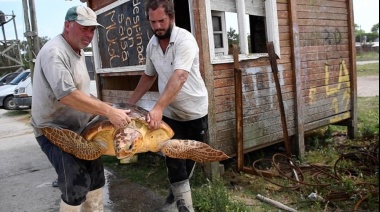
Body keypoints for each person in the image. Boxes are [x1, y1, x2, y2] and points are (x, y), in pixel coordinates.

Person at [30, 5, 131, 212]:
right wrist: (108, 112)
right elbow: (67, 95)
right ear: (68, 25)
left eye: (92, 30)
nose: (89, 34)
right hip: (53, 130)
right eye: (84, 28)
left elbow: (81, 92)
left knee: (95, 181)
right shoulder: (54, 52)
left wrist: (109, 107)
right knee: (75, 187)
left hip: (80, 129)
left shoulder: (78, 51)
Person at [126, 0, 209, 211]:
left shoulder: (185, 40)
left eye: (161, 21)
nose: (157, 27)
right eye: (153, 22)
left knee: (187, 162)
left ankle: (173, 201)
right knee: (173, 161)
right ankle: (184, 208)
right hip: (171, 113)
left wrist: (158, 107)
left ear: (171, 17)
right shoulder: (152, 45)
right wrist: (130, 102)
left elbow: (180, 76)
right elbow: (148, 76)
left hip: (194, 111)